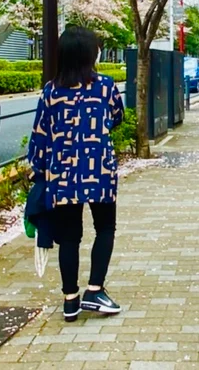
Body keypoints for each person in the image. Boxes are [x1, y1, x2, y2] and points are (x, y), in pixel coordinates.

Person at [27, 26, 125, 322]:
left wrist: (38, 171)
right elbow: (117, 117)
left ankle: (70, 299)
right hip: (99, 171)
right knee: (105, 228)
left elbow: (40, 135)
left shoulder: (51, 91)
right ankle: (95, 290)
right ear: (90, 54)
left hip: (62, 174)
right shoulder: (105, 87)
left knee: (69, 238)